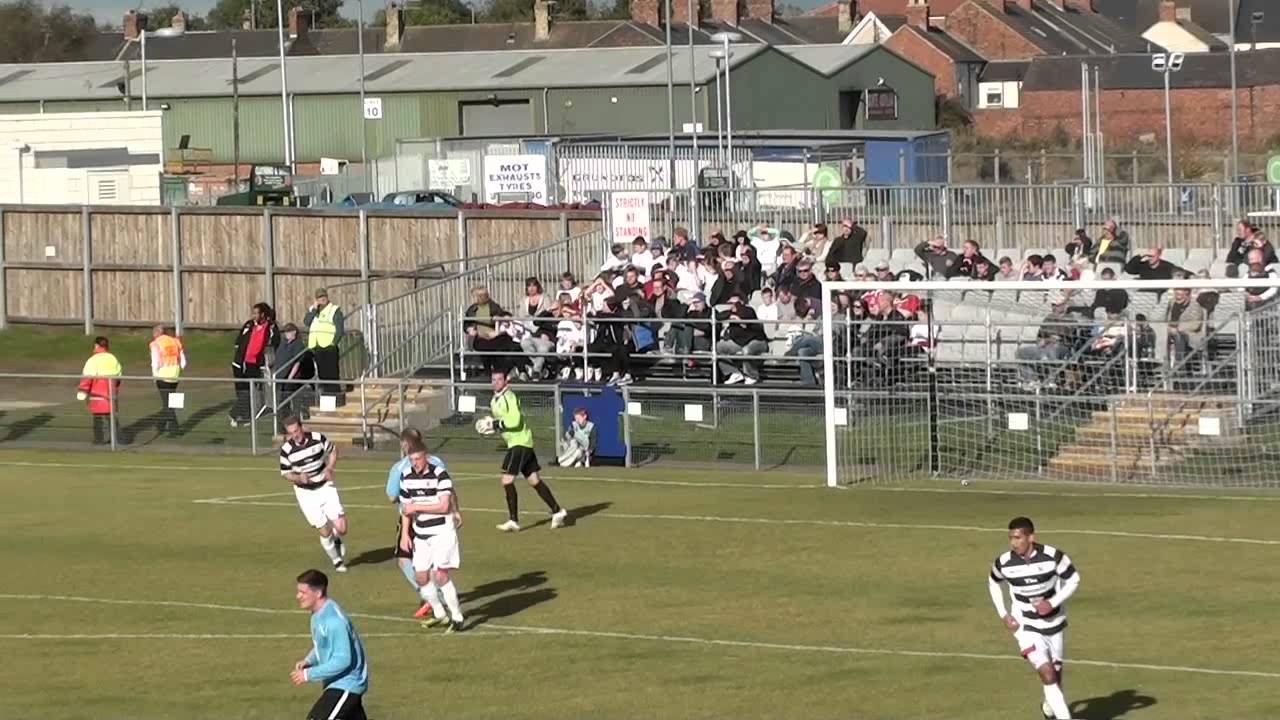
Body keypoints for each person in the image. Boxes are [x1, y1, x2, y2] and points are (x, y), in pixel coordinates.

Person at [987, 516, 1080, 720]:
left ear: (1030, 537)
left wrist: (1052, 603)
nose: (1013, 542)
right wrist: (1004, 613)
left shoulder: (1053, 557)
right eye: (1011, 538)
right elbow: (993, 582)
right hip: (1025, 626)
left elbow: (1073, 579)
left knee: (1056, 675)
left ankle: (1050, 707)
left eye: (1018, 537)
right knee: (1047, 674)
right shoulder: (1004, 563)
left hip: (1054, 623)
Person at [397, 440, 466, 633]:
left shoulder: (439, 475)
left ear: (426, 457)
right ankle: (439, 613)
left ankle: (457, 617)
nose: (415, 463)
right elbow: (405, 509)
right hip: (420, 534)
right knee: (420, 576)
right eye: (411, 460)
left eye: (418, 459)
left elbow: (444, 506)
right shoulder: (406, 476)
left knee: (440, 576)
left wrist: (417, 506)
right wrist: (405, 535)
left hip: (442, 532)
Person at [488, 370, 568, 532]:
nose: (496, 382)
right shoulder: (494, 400)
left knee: (507, 480)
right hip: (521, 443)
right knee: (534, 481)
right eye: (493, 380)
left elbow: (515, 420)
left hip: (519, 444)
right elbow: (503, 422)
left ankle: (513, 520)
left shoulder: (509, 396)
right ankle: (558, 511)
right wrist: (491, 426)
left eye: (499, 379)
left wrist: (496, 425)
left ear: (506, 382)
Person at [385, 428, 453, 618]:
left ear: (404, 444)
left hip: (414, 519)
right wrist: (455, 511)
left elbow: (391, 496)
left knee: (404, 559)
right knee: (433, 561)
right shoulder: (438, 462)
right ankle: (436, 595)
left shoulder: (400, 467)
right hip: (441, 519)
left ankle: (430, 595)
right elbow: (448, 489)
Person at [291, 569, 369, 720]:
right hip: (336, 683)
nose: (298, 596)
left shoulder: (334, 621)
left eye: (303, 592)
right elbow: (323, 643)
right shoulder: (318, 614)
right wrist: (309, 660)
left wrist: (309, 674)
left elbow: (343, 659)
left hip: (347, 684)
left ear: (318, 593)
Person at [279, 415, 348, 572]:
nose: (295, 435)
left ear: (302, 427)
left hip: (325, 486)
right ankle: (337, 561)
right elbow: (285, 473)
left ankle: (337, 538)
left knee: (342, 528)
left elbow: (333, 451)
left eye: (296, 430)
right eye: (291, 433)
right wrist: (298, 477)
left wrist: (330, 467)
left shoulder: (318, 438)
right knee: (324, 529)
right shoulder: (286, 450)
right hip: (305, 493)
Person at [231, 302, 279, 426]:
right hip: (240, 362)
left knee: (251, 389)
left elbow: (274, 341)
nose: (253, 316)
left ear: (263, 314)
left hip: (255, 363)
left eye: (256, 313)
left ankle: (239, 414)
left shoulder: (270, 327)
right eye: (253, 313)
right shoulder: (249, 325)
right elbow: (239, 340)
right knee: (242, 389)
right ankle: (240, 414)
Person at [77, 336, 123, 445]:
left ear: (97, 345)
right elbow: (119, 374)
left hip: (97, 393)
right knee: (111, 418)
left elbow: (87, 377)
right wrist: (115, 387)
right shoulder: (112, 358)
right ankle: (119, 439)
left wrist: (82, 391)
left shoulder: (93, 359)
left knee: (98, 418)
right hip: (110, 392)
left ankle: (99, 439)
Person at [305, 288, 345, 402]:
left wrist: (334, 342)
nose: (322, 299)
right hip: (318, 348)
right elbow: (306, 322)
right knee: (323, 377)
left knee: (332, 377)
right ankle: (327, 403)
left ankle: (336, 403)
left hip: (329, 348)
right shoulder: (314, 311)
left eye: (324, 297)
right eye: (319, 298)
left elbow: (340, 330)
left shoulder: (334, 310)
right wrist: (313, 309)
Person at [148, 324, 185, 437]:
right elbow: (183, 362)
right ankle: (161, 424)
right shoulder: (176, 341)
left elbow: (155, 361)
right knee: (171, 401)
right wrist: (178, 370)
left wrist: (155, 376)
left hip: (163, 375)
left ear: (156, 333)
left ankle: (174, 430)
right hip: (175, 375)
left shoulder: (155, 344)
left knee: (167, 403)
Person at [274, 323, 314, 423]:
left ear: (294, 332)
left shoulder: (298, 345)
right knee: (281, 401)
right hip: (280, 377)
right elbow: (279, 358)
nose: (286, 334)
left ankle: (289, 420)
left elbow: (297, 362)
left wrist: (291, 377)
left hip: (290, 378)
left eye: (288, 331)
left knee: (286, 401)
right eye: (285, 332)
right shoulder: (283, 344)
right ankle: (283, 421)